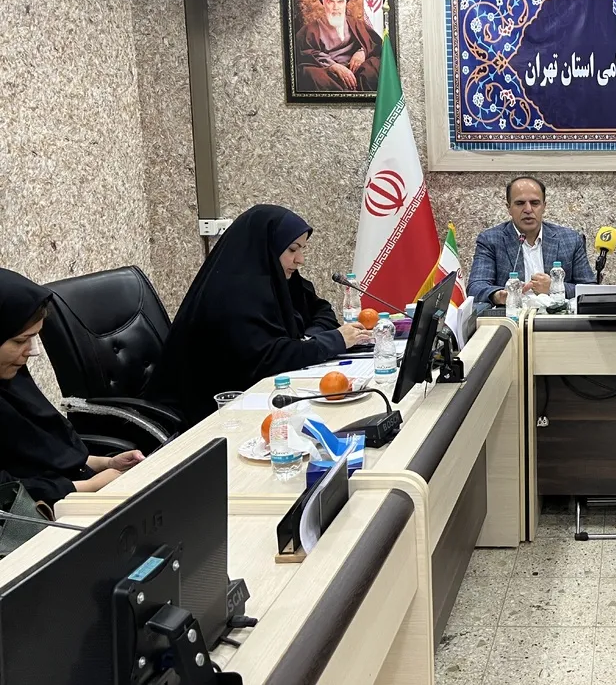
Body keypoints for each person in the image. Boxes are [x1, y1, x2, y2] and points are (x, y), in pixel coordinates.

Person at [143, 205, 371, 426]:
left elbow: (321, 310)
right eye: (292, 249)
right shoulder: (233, 294)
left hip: (255, 398)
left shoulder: (279, 278)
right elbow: (268, 360)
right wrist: (331, 341)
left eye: (302, 249)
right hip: (210, 415)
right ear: (268, 246)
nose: (300, 259)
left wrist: (310, 339)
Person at [0, 268, 145, 505]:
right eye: (20, 340)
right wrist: (89, 487)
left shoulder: (12, 379)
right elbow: (7, 491)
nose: (34, 351)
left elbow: (47, 451)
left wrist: (105, 463)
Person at [467, 177, 594, 307]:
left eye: (534, 203)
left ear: (544, 206)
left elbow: (590, 289)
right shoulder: (491, 240)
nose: (528, 209)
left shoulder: (570, 239)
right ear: (509, 208)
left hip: (558, 316)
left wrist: (554, 287)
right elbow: (475, 287)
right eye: (520, 203)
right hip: (512, 316)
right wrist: (498, 296)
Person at [295, 0, 382, 92]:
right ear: (323, 3)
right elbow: (304, 54)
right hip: (328, 72)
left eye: (340, 2)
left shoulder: (356, 24)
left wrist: (362, 52)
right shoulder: (309, 30)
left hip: (355, 71)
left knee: (374, 66)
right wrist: (333, 66)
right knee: (311, 74)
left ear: (346, 3)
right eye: (330, 2)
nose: (336, 7)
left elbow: (374, 45)